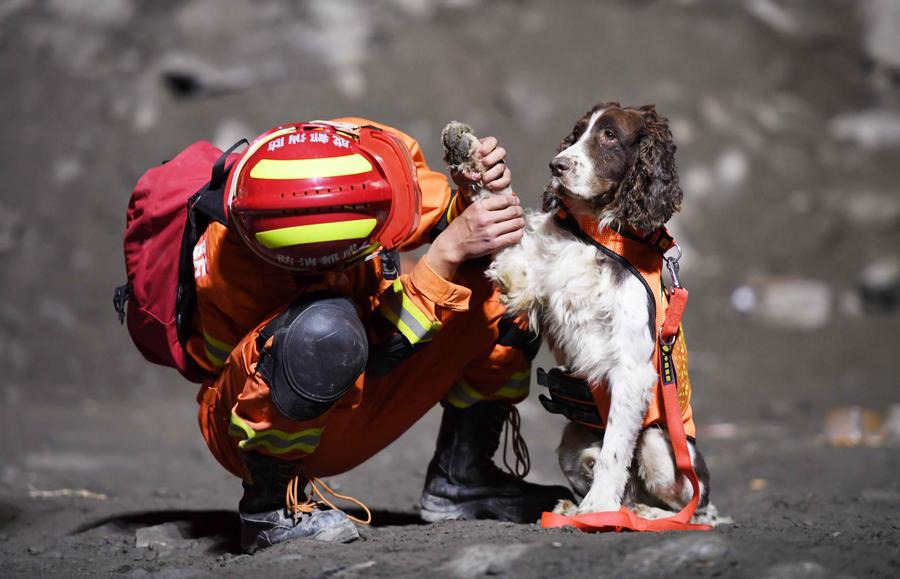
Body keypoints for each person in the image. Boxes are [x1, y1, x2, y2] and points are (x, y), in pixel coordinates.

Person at [187, 118, 571, 552]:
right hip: (258, 425)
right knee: (322, 332)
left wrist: (470, 196)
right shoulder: (239, 268)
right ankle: (270, 510)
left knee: (506, 287)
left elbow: (436, 216)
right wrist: (446, 253)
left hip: (351, 385)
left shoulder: (361, 159)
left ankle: (463, 478)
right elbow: (375, 349)